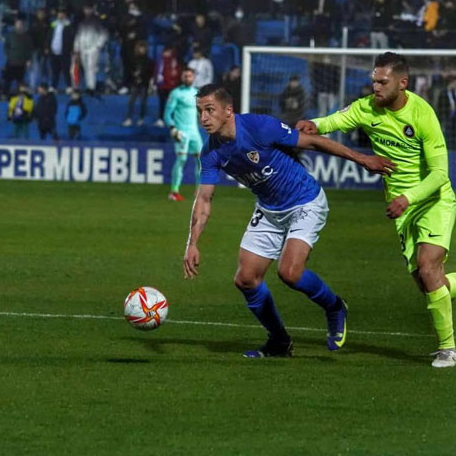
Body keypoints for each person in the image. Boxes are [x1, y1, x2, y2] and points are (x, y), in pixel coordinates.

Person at [295, 52, 456, 369]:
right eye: (374, 80)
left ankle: (448, 350)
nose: (375, 87)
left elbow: (441, 173)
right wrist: (313, 125)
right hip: (403, 209)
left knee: (429, 268)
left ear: (403, 83)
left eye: (382, 82)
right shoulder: (366, 108)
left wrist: (409, 197)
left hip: (432, 200)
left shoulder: (422, 115)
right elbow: (335, 120)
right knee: (430, 283)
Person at [183, 84, 394, 358]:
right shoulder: (211, 153)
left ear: (228, 110)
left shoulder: (258, 127)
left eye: (209, 110)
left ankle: (334, 307)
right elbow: (204, 199)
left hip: (305, 200)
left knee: (290, 272)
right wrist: (192, 243)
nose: (203, 118)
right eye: (200, 111)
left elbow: (314, 141)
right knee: (246, 278)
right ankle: (279, 342)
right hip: (269, 209)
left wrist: (362, 158)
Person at [164, 67, 202, 201]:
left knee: (200, 160)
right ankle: (174, 191)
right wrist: (173, 128)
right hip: (182, 131)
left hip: (194, 132)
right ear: (182, 77)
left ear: (193, 78)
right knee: (182, 159)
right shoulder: (176, 93)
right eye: (185, 76)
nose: (188, 78)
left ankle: (199, 191)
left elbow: (200, 112)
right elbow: (167, 114)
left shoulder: (197, 93)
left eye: (190, 76)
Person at [122, 40, 153, 127]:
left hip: (144, 83)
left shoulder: (148, 61)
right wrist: (133, 77)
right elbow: (129, 70)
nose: (142, 50)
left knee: (143, 102)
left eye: (143, 48)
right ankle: (128, 118)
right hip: (135, 83)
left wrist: (143, 77)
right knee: (131, 101)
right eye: (140, 48)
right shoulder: (133, 59)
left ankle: (141, 118)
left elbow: (149, 72)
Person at [3, 20, 34, 95]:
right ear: (15, 25)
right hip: (11, 62)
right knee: (8, 80)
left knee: (20, 81)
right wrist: (9, 55)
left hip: (21, 63)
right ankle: (5, 94)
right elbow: (6, 47)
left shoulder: (27, 37)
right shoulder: (10, 35)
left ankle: (19, 95)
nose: (19, 26)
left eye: (20, 24)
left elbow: (29, 49)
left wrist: (28, 60)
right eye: (18, 24)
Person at [154, 46, 182, 127]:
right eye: (165, 52)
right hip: (162, 86)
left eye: (168, 52)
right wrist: (156, 83)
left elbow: (177, 72)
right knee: (162, 103)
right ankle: (161, 119)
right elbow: (156, 72)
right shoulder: (160, 61)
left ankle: (172, 119)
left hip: (171, 86)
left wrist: (176, 83)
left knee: (172, 104)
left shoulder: (174, 61)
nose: (166, 54)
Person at [48, 9, 74, 91]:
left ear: (65, 15)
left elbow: (71, 39)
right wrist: (47, 47)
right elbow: (49, 36)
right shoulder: (53, 24)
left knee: (66, 70)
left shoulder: (69, 25)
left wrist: (70, 49)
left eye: (62, 14)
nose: (60, 15)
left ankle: (69, 86)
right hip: (53, 51)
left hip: (64, 52)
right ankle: (53, 86)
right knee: (54, 70)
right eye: (59, 14)